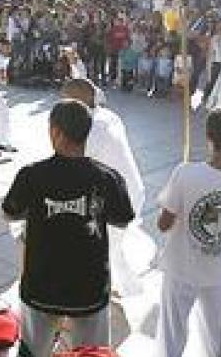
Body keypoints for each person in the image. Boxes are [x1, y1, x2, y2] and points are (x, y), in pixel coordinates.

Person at [2, 100, 134, 355]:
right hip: (89, 289)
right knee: (91, 352)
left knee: (33, 350)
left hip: (41, 287)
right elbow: (123, 218)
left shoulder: (31, 175)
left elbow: (10, 212)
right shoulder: (107, 177)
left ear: (55, 131)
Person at [154, 104, 221, 357]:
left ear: (208, 135)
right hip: (219, 270)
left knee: (172, 332)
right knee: (214, 334)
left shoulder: (185, 173)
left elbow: (163, 224)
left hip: (181, 267)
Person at [61, 79, 145, 296]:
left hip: (118, 199)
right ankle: (118, 285)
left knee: (102, 245)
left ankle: (102, 288)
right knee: (111, 245)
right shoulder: (107, 116)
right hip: (127, 190)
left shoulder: (91, 129)